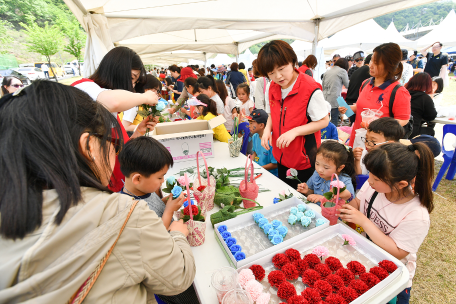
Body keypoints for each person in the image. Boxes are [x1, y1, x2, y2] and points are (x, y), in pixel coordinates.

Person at [0, 81, 195, 303]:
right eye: (113, 142)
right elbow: (179, 277)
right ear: (88, 146)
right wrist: (178, 235)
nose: (116, 153)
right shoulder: (124, 214)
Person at [338, 142, 434, 304]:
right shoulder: (374, 187)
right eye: (370, 174)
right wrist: (344, 209)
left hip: (391, 273)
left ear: (401, 184)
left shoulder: (417, 215)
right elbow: (358, 204)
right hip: (365, 257)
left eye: (375, 178)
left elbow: (398, 252)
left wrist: (363, 221)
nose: (369, 181)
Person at [71, 46, 159, 192]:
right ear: (116, 71)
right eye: (132, 78)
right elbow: (113, 102)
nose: (132, 87)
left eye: (135, 82)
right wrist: (145, 96)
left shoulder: (112, 114)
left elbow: (121, 152)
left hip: (116, 187)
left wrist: (138, 132)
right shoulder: (85, 88)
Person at [256, 40, 329, 187]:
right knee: (285, 193)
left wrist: (294, 132)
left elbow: (324, 121)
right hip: (281, 156)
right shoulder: (272, 87)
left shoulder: (310, 88)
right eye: (271, 73)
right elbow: (272, 114)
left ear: (292, 62)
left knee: (301, 200)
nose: (278, 76)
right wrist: (267, 131)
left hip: (303, 159)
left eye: (282, 68)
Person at [344, 43, 411, 147]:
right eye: (371, 60)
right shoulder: (365, 83)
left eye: (376, 62)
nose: (370, 65)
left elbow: (403, 120)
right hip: (357, 139)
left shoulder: (399, 92)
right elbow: (362, 108)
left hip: (378, 146)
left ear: (389, 65)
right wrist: (348, 108)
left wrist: (378, 125)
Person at [297, 140, 356, 205]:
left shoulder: (345, 182)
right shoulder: (317, 173)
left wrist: (323, 199)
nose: (319, 169)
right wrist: (307, 191)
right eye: (317, 163)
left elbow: (348, 205)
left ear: (340, 168)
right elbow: (312, 192)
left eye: (326, 167)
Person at [405, 73, 437, 138]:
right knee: (430, 131)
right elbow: (431, 116)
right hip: (412, 132)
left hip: (397, 129)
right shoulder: (424, 98)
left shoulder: (402, 93)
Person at [248, 109, 278, 177]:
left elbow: (275, 164)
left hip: (270, 175)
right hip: (258, 170)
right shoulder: (255, 136)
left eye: (251, 123)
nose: (249, 126)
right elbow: (255, 152)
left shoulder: (272, 140)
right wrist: (250, 163)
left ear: (261, 125)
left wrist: (259, 169)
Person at [345, 54, 372, 124]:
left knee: (353, 126)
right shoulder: (369, 71)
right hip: (356, 104)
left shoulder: (357, 71)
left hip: (349, 102)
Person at [322, 58, 349, 126]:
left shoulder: (327, 71)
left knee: (325, 120)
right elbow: (347, 85)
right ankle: (333, 135)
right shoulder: (342, 71)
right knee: (334, 119)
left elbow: (323, 86)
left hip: (324, 98)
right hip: (334, 98)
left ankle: (326, 134)